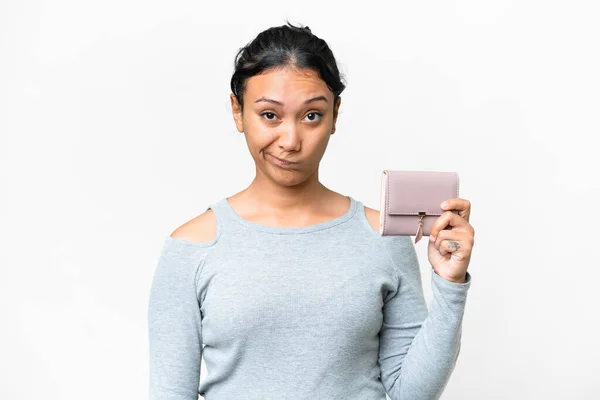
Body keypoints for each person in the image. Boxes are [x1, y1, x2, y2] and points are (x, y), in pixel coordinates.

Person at [148, 21, 475, 400]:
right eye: (269, 115)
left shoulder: (382, 239)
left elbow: (411, 394)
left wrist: (451, 284)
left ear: (335, 115)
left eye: (311, 116)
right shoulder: (191, 248)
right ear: (238, 112)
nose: (290, 140)